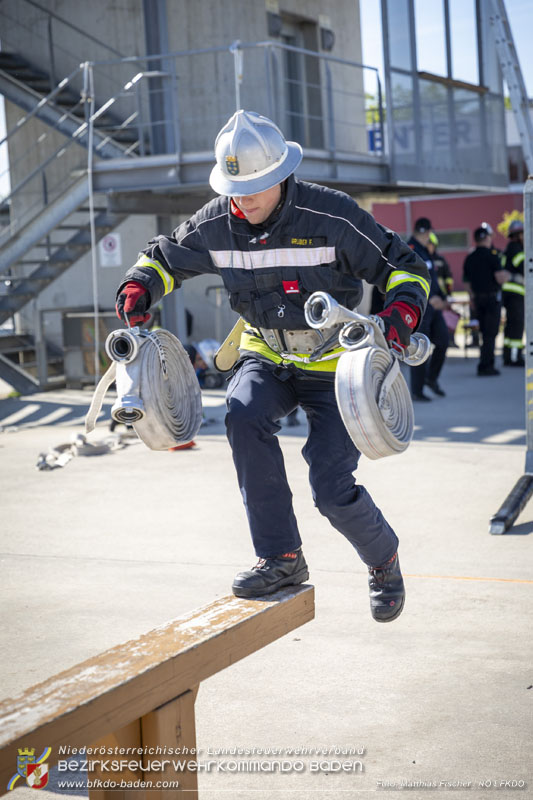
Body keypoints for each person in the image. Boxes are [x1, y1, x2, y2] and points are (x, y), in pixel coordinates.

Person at [114, 110, 430, 623]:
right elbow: (162, 259)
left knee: (330, 488)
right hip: (267, 352)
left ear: (282, 176)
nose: (244, 199)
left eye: (256, 187)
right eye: (235, 188)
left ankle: (384, 560)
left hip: (336, 366)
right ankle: (282, 558)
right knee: (243, 415)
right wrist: (139, 286)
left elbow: (405, 268)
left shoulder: (334, 216)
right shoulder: (216, 223)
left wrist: (400, 315)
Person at [408, 218, 450, 401]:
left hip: (435, 307)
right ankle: (417, 391)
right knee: (419, 349)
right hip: (421, 308)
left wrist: (443, 298)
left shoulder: (426, 250)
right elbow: (409, 280)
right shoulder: (410, 249)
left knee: (443, 341)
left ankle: (431, 379)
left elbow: (432, 277)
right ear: (424, 231)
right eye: (429, 232)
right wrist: (428, 299)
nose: (430, 235)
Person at [462, 223, 510, 376]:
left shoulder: (470, 257)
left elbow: (467, 283)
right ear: (487, 238)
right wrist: (509, 275)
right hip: (491, 300)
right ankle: (486, 366)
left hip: (478, 300)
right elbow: (500, 278)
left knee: (484, 333)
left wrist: (472, 299)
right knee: (491, 334)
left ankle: (484, 363)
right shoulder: (492, 255)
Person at [501, 219, 525, 367]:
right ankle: (516, 357)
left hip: (509, 294)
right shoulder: (516, 248)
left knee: (510, 326)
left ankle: (508, 356)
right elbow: (524, 266)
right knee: (517, 325)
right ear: (519, 234)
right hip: (515, 293)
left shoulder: (509, 247)